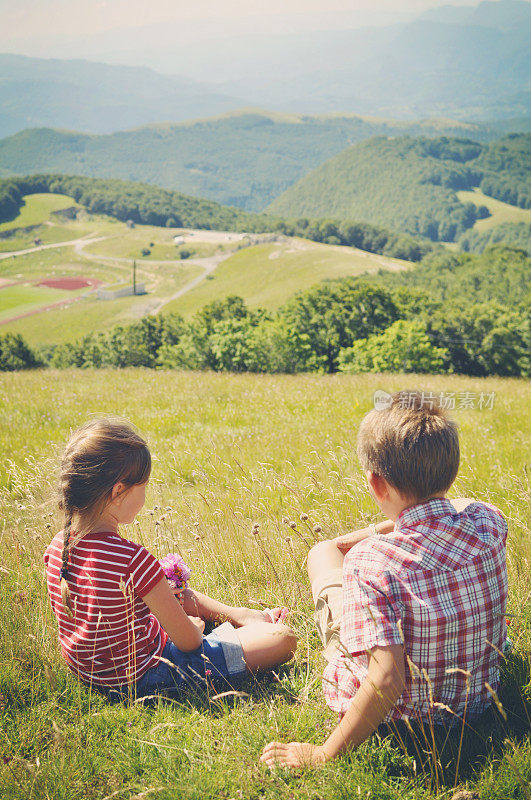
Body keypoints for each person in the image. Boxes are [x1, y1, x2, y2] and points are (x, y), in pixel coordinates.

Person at [261, 390, 508, 768]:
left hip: (406, 719)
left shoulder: (370, 564)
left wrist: (322, 754)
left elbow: (388, 679)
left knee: (322, 554)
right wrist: (382, 529)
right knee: (335, 551)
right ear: (452, 468)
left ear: (376, 484)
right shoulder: (489, 521)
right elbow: (459, 506)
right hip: (478, 699)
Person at [44, 418, 297, 701]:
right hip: (150, 675)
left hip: (93, 673)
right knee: (283, 638)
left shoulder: (59, 545)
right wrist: (195, 627)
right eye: (143, 486)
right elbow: (189, 643)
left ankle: (241, 615)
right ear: (118, 492)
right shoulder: (132, 559)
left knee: (172, 592)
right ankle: (246, 624)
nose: (145, 495)